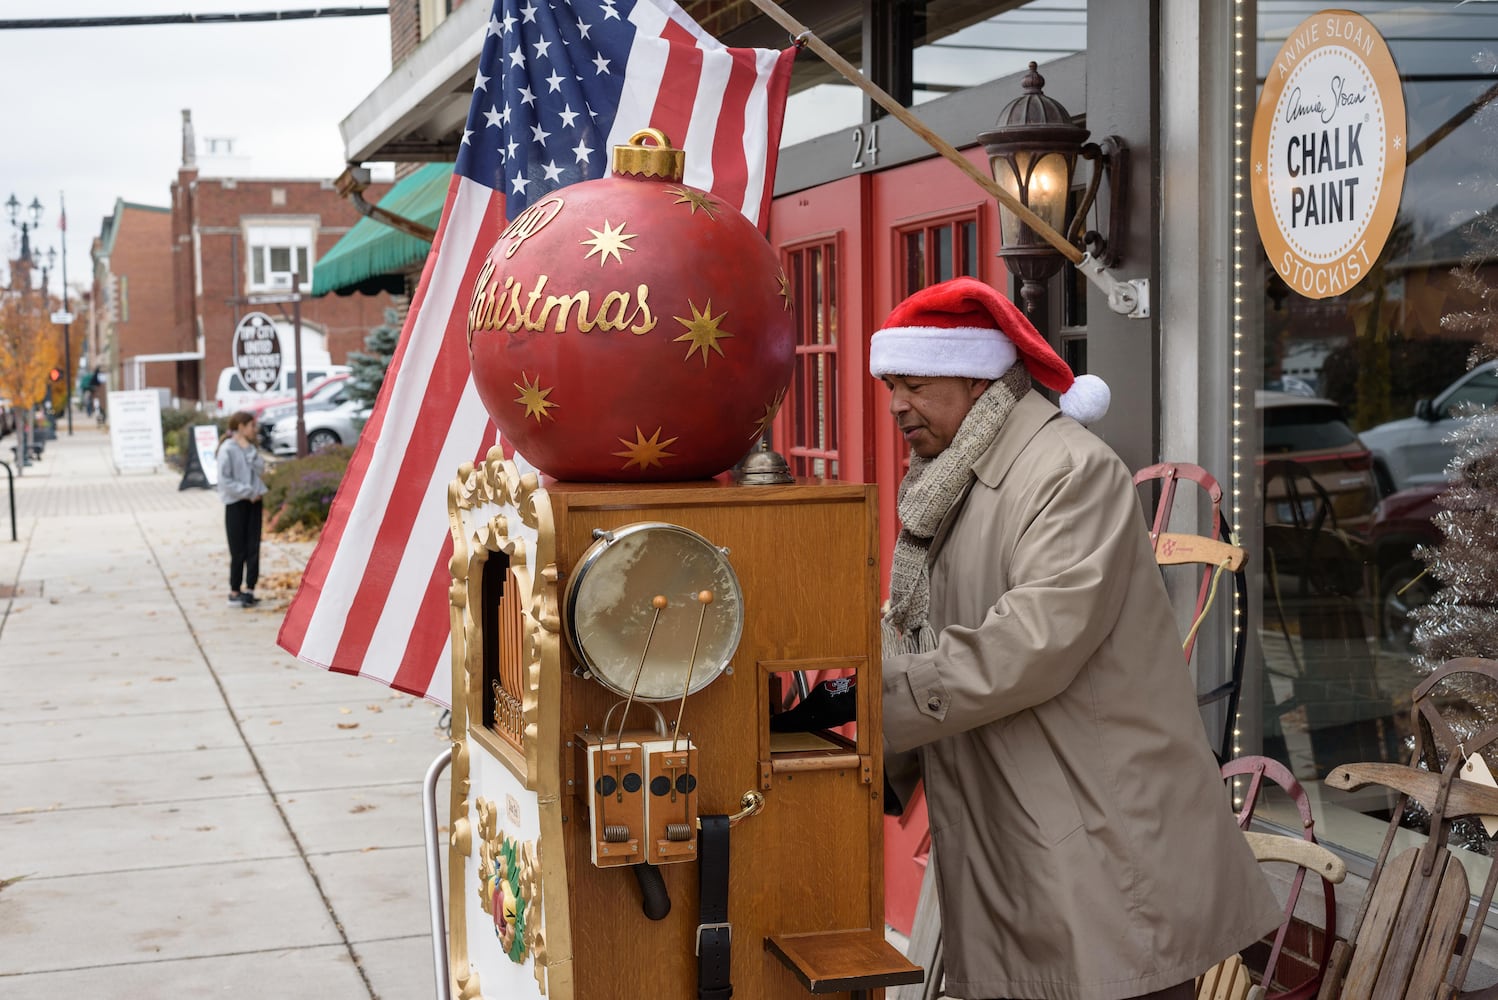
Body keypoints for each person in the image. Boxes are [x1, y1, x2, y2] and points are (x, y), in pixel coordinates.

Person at [871, 277, 1280, 1000]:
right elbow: (920, 631)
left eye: (913, 383)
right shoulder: (946, 484)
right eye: (889, 385)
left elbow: (1028, 645)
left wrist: (876, 704)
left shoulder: (1068, 469)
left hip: (1098, 842)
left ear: (976, 380)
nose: (896, 404)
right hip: (1028, 835)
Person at [217, 411, 266, 608]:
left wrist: (248, 450)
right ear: (241, 427)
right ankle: (234, 590)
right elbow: (224, 480)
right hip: (236, 503)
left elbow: (260, 469)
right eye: (251, 426)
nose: (255, 430)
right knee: (238, 549)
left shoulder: (250, 448)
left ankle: (250, 589)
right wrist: (248, 492)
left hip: (254, 502)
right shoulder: (227, 449)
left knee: (253, 547)